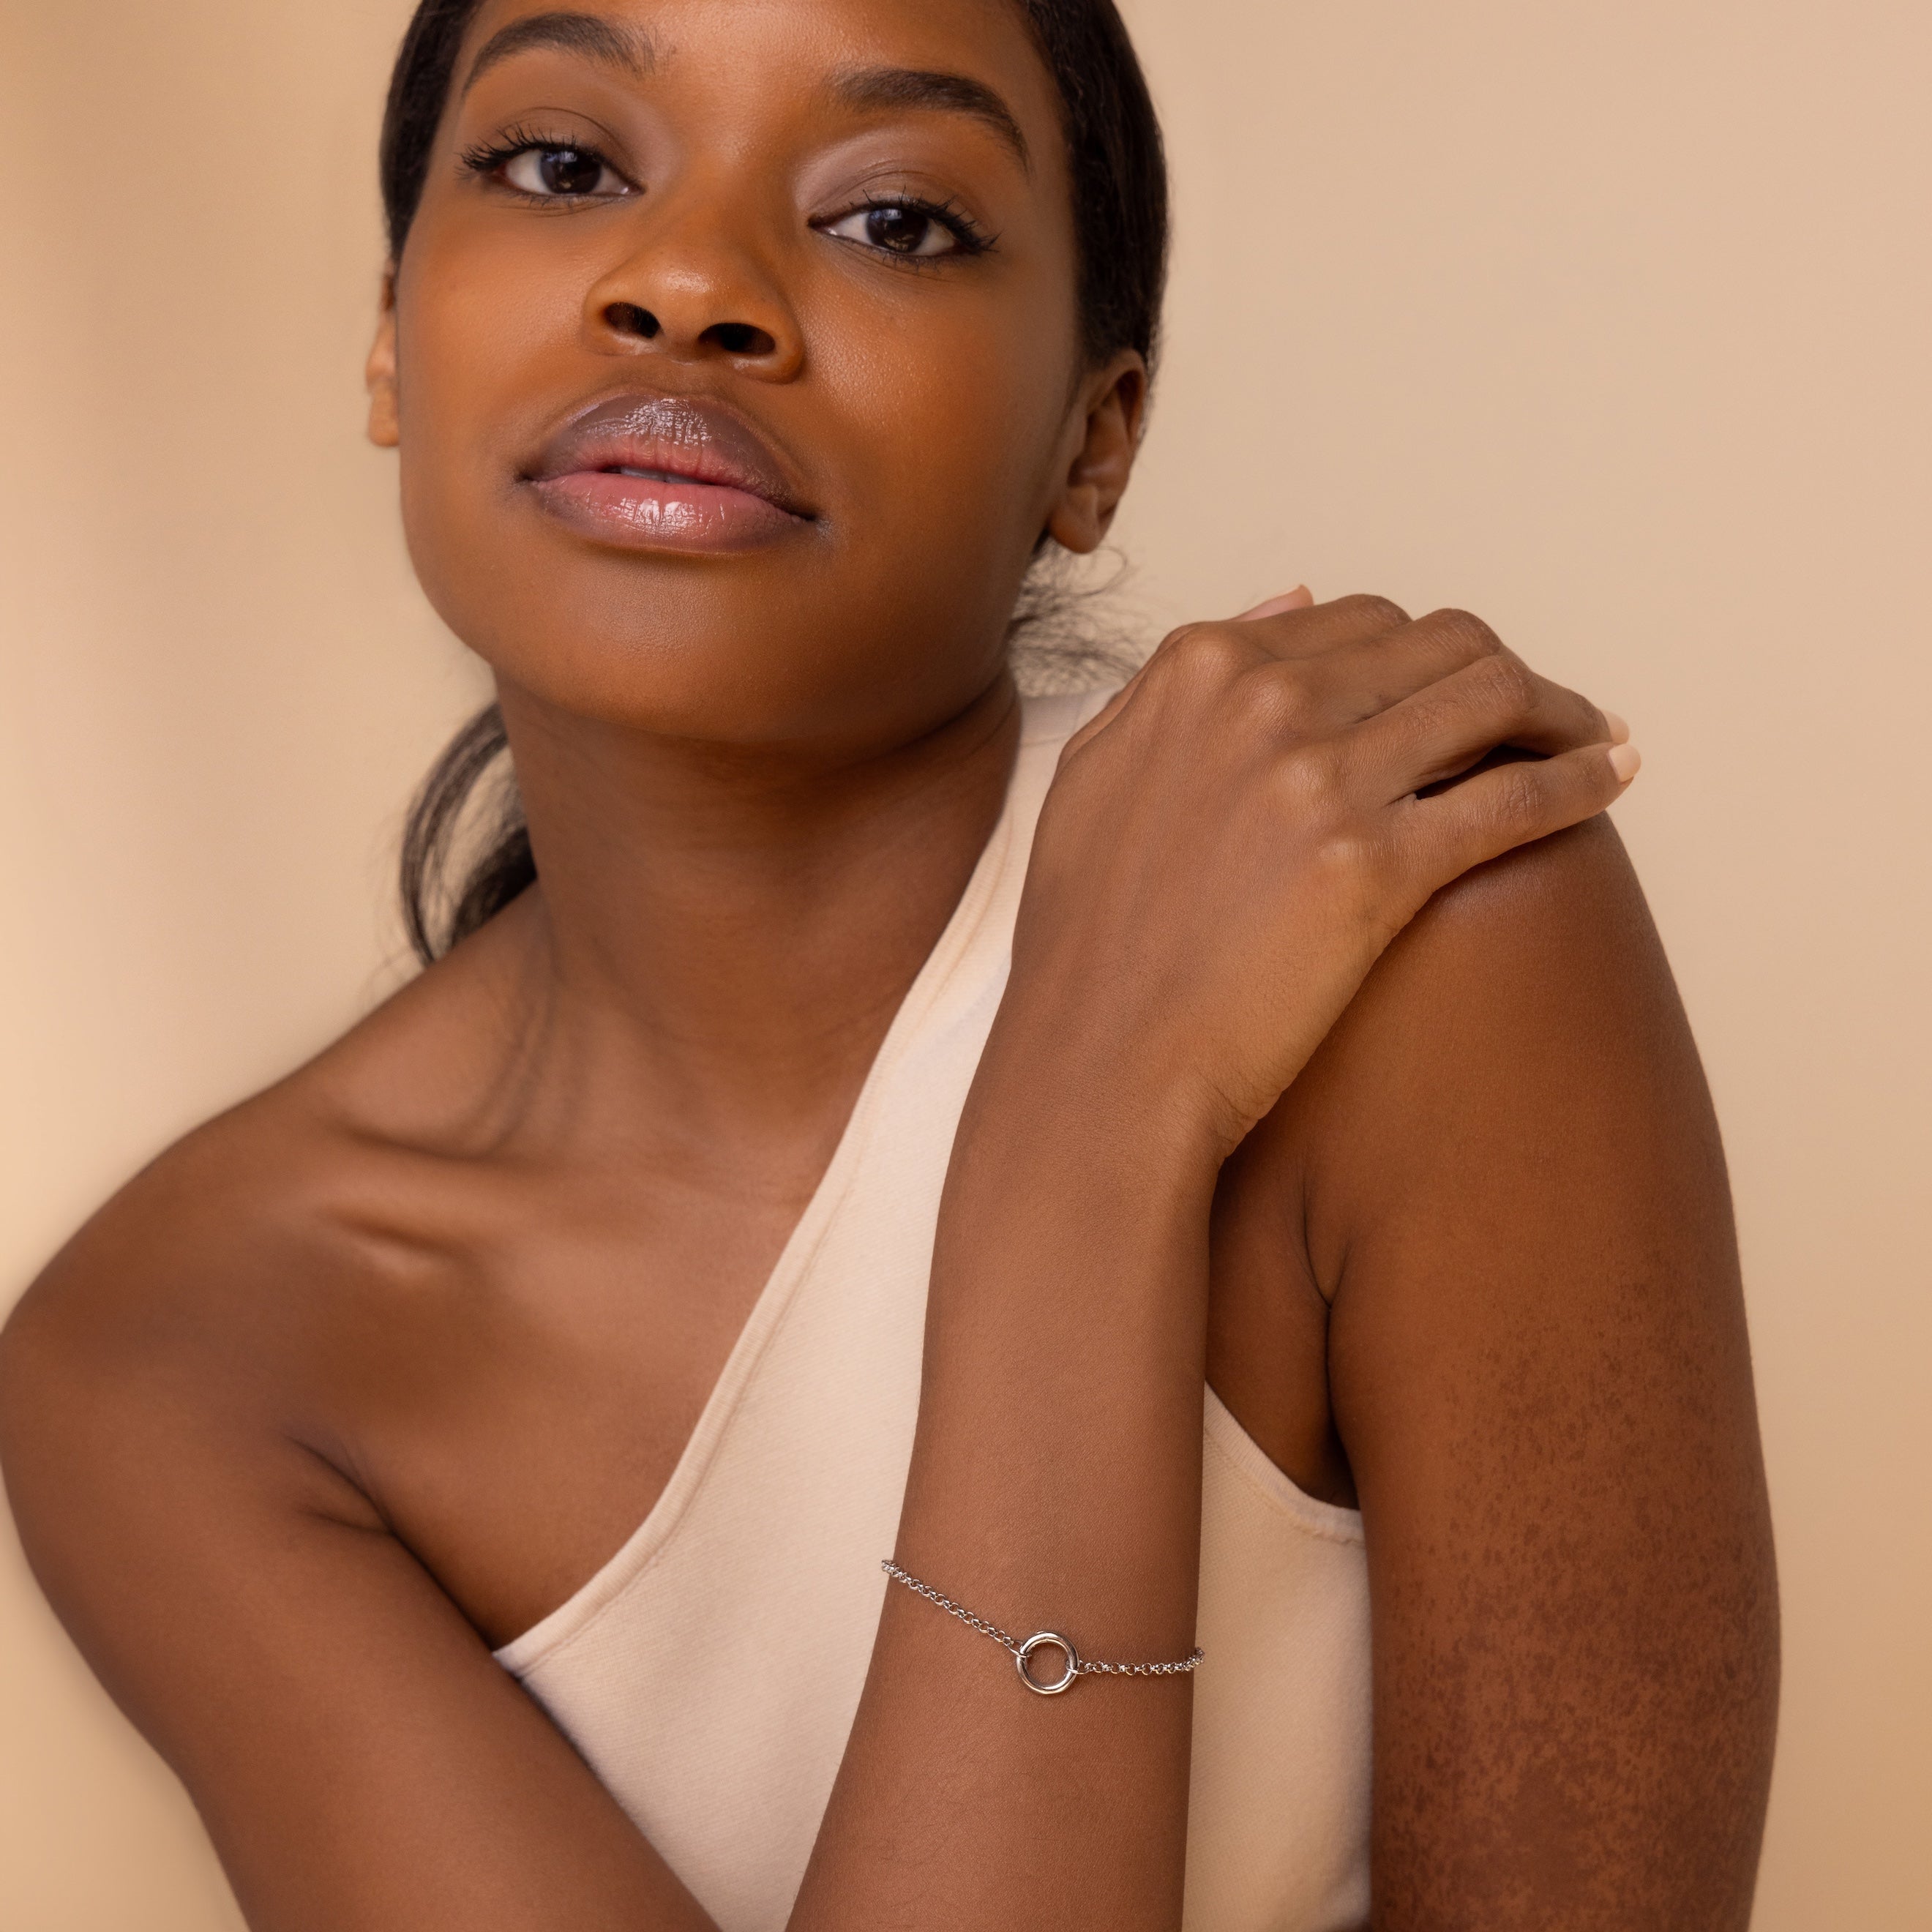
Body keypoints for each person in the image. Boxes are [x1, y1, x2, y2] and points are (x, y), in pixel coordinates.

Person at [0, 1, 1779, 1926]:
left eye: (895, 219)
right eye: (563, 165)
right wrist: (1087, 1123)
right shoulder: (174, 1363)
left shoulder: (1420, 930)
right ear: (388, 339)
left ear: (1092, 441)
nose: (687, 285)